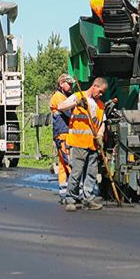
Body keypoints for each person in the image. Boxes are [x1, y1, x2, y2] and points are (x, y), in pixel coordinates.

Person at [56, 77, 108, 211]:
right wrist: (76, 104)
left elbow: (102, 123)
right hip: (78, 142)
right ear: (95, 86)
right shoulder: (78, 96)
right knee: (76, 172)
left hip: (92, 144)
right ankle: (70, 199)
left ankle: (88, 199)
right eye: (100, 91)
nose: (101, 94)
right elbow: (60, 106)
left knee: (91, 173)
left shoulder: (100, 105)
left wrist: (100, 135)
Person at [49, 74, 74, 203]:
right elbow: (69, 113)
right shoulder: (58, 98)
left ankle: (64, 194)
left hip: (62, 135)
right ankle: (73, 194)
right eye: (68, 84)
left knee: (63, 166)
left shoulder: (63, 96)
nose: (71, 86)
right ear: (61, 84)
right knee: (69, 164)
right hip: (63, 135)